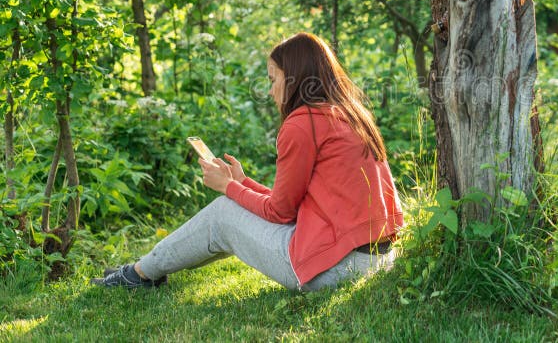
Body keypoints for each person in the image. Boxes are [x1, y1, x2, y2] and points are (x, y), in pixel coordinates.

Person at [92, 32, 404, 291]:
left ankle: (137, 275)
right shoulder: (349, 116)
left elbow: (280, 213)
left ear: (293, 78)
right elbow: (294, 204)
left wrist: (228, 188)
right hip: (375, 260)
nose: (270, 90)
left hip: (336, 267)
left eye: (273, 79)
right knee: (228, 210)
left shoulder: (302, 124)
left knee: (222, 214)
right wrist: (243, 184)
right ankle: (145, 270)